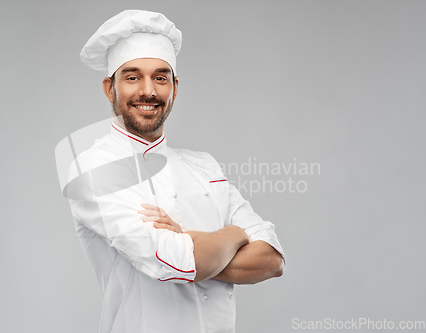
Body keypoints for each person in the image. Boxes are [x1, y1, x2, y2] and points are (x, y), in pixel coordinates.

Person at [65, 9, 285, 333]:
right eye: (132, 76)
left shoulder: (204, 166)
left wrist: (194, 245)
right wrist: (236, 235)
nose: (148, 91)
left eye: (160, 77)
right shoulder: (93, 169)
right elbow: (175, 262)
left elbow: (272, 259)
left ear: (175, 87)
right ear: (109, 89)